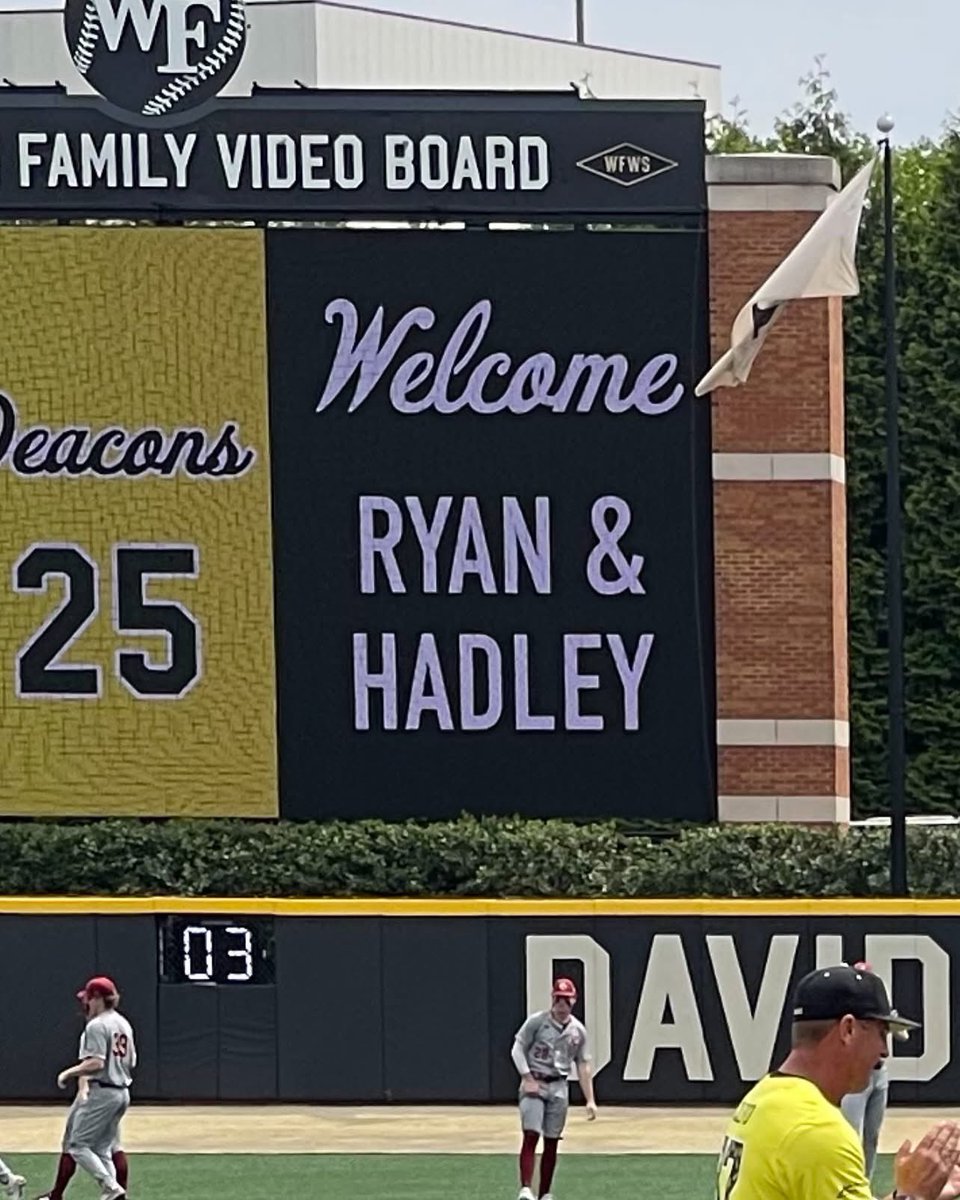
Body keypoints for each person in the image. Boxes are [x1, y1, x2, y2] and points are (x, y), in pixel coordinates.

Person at [716, 963, 960, 1200]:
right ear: (848, 1029)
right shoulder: (817, 1129)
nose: (884, 1051)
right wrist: (914, 1195)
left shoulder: (765, 1094)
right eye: (880, 1033)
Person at [38, 977, 135, 1200]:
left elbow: (96, 1063)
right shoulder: (123, 1023)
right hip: (122, 1091)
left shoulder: (97, 1025)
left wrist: (68, 1073)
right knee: (102, 1148)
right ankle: (116, 1194)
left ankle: (111, 1188)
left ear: (98, 998)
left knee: (77, 1145)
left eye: (89, 999)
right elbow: (132, 1061)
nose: (86, 1004)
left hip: (103, 1091)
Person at [511, 977, 597, 1200]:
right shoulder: (538, 1022)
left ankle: (545, 1193)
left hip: (559, 1085)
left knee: (552, 1140)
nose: (562, 1005)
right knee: (531, 1133)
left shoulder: (577, 1031)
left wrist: (590, 1099)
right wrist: (527, 1076)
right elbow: (518, 1047)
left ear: (574, 1001)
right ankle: (526, 1188)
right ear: (552, 999)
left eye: (566, 1001)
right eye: (558, 1000)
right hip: (536, 1082)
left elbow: (583, 1063)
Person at [841, 961, 907, 1182]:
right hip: (857, 1074)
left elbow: (903, 1036)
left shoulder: (880, 1008)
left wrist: (890, 1021)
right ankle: (848, 1184)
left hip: (879, 1075)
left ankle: (865, 1184)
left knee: (872, 1136)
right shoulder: (846, 1012)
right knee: (852, 1133)